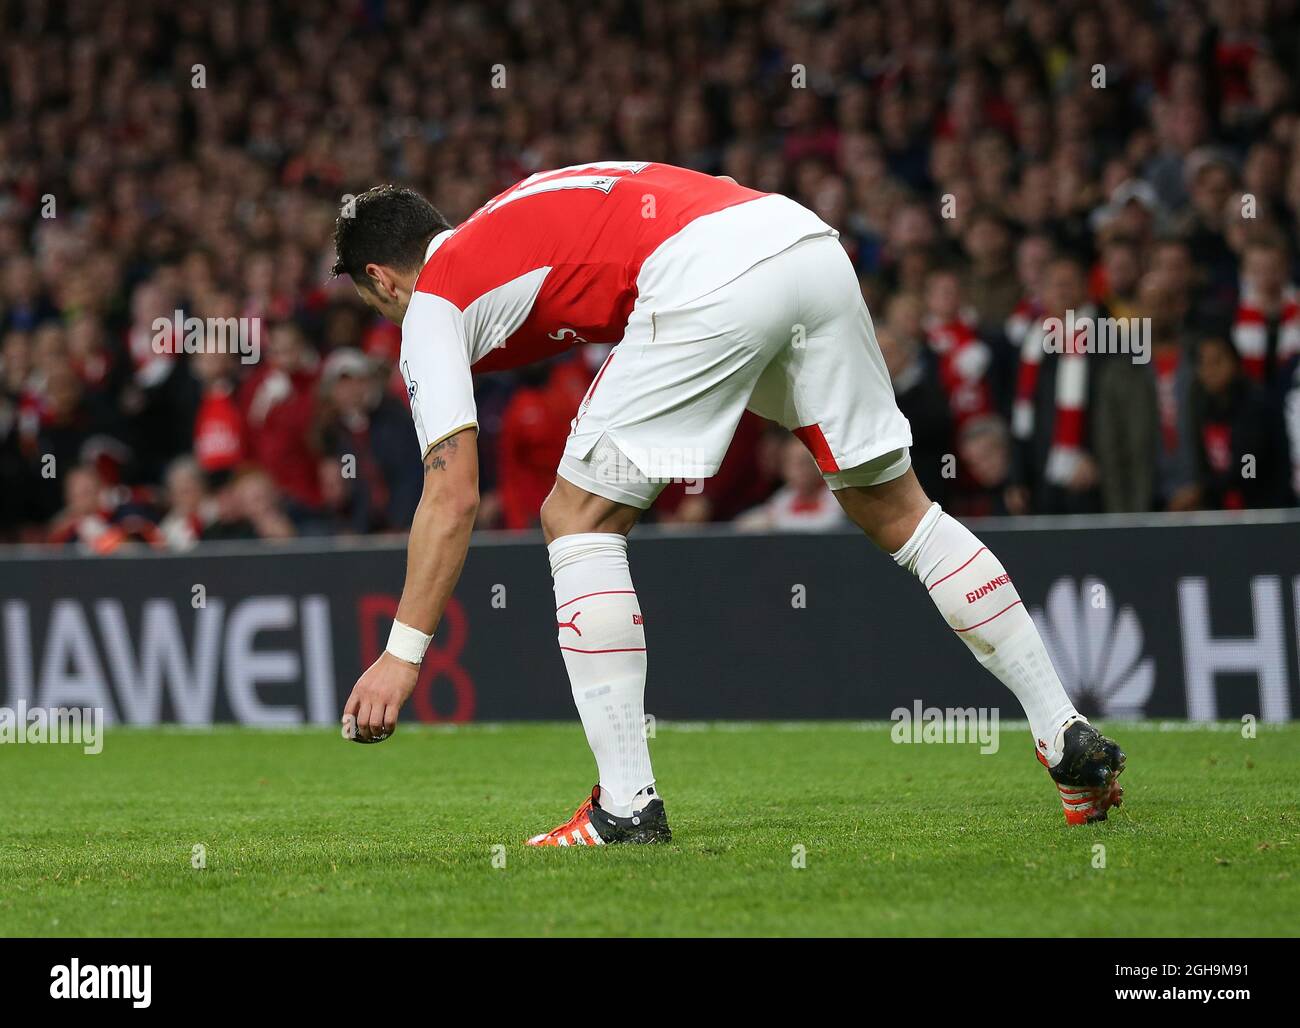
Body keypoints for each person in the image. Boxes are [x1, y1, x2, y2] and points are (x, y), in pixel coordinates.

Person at [331, 163, 1126, 843]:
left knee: (576, 517)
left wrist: (403, 656)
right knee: (900, 512)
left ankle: (625, 808)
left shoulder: (431, 301)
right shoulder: (514, 212)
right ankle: (1064, 733)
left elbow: (452, 493)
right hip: (804, 244)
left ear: (380, 280)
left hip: (707, 272)